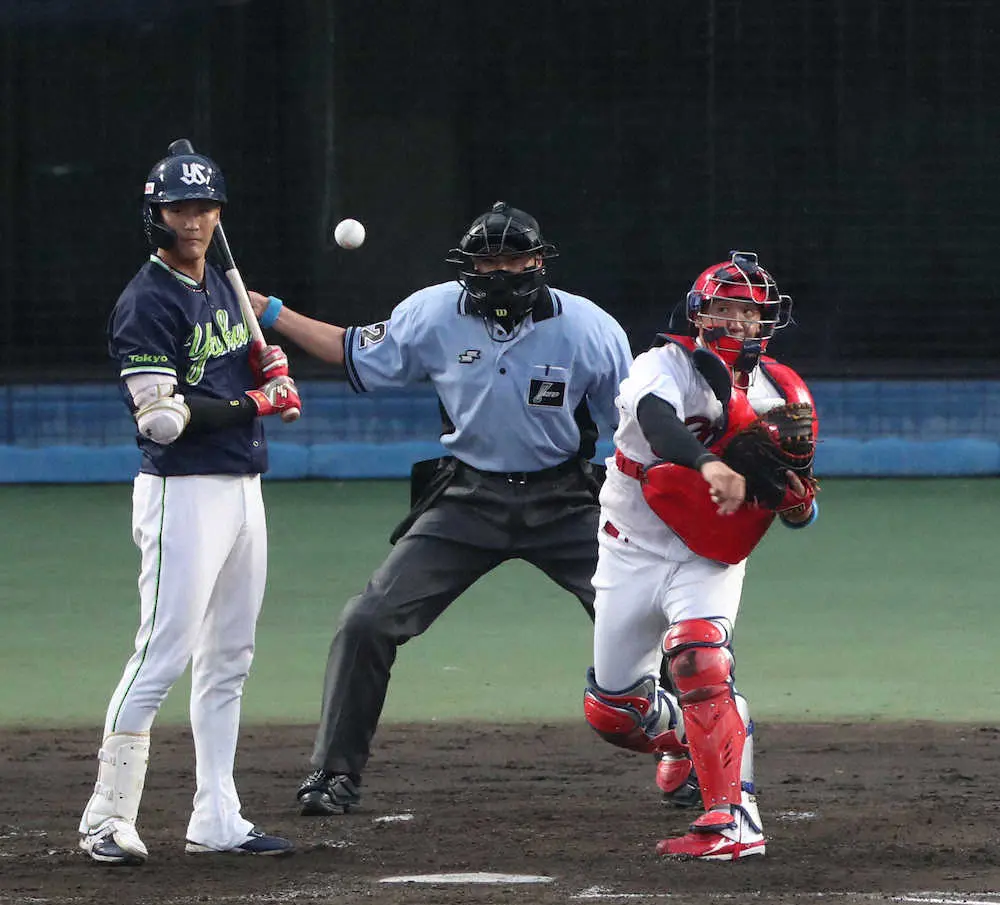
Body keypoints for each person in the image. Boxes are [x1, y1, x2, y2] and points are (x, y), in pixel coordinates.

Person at [247, 201, 634, 815]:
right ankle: (333, 773)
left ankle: (690, 758)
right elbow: (352, 352)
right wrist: (270, 312)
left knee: (656, 620)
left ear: (539, 261)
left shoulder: (590, 329)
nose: (499, 271)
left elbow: (635, 430)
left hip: (567, 502)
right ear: (467, 266)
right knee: (366, 621)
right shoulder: (432, 313)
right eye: (486, 259)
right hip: (467, 499)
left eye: (513, 257)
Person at [77, 150, 302, 864]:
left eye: (205, 209)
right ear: (157, 217)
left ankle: (217, 816)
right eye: (180, 210)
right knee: (162, 652)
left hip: (242, 485)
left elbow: (231, 369)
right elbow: (161, 420)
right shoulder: (147, 301)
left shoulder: (222, 290)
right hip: (183, 490)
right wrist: (253, 402)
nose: (195, 222)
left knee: (230, 654)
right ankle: (104, 819)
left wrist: (266, 366)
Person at [582, 250, 819, 861]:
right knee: (615, 712)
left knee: (699, 657)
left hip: (708, 554)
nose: (737, 319)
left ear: (767, 321)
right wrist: (710, 462)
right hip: (630, 548)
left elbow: (795, 500)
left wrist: (796, 503)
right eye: (725, 306)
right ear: (699, 312)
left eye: (750, 310)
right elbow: (660, 425)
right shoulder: (660, 365)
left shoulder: (781, 393)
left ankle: (732, 823)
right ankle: (685, 742)